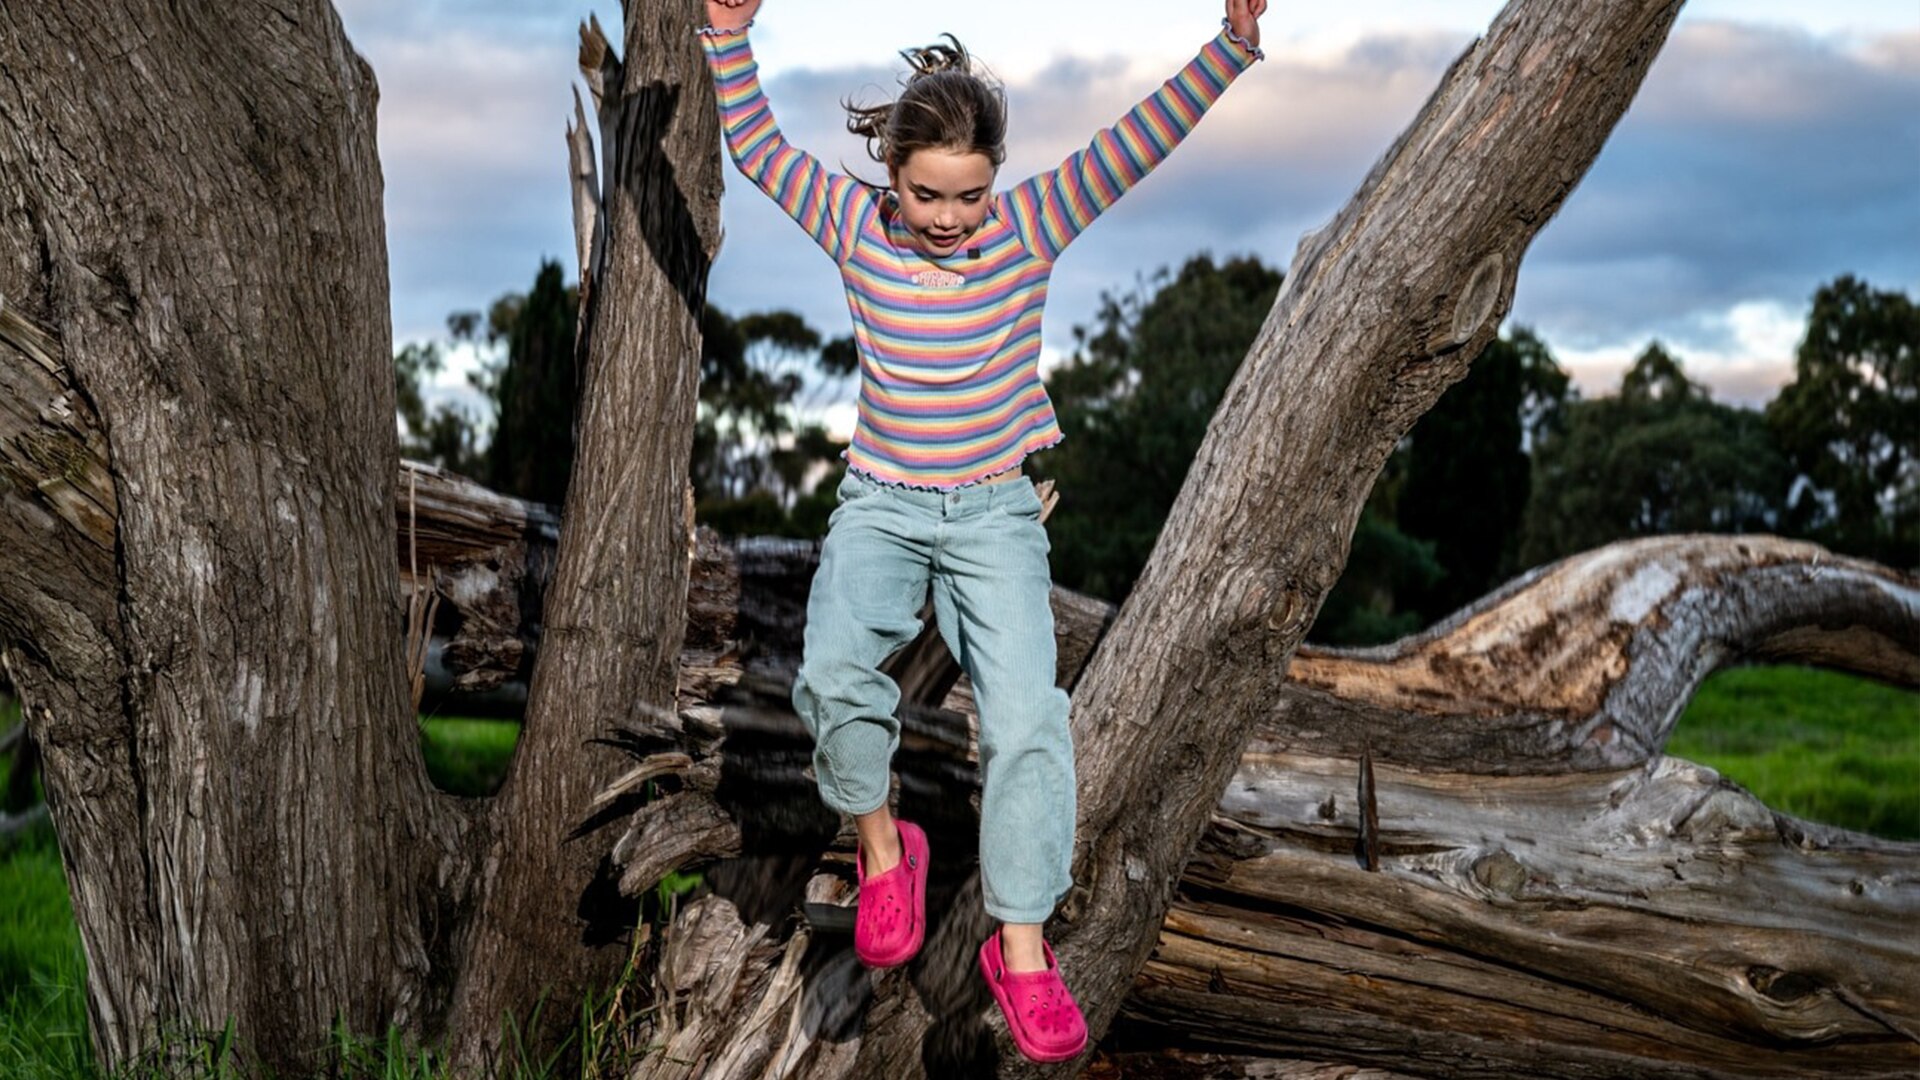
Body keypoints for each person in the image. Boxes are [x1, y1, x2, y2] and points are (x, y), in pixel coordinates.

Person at [699, 0, 1266, 1062]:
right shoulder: (852, 221)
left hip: (993, 511)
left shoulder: (1034, 222)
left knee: (1027, 720)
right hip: (880, 499)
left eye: (968, 195)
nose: (949, 218)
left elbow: (1137, 140)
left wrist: (1229, 48)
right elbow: (760, 147)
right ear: (892, 173)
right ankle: (883, 850)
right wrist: (729, 38)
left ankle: (1021, 944)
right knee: (828, 674)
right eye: (926, 194)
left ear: (995, 178)